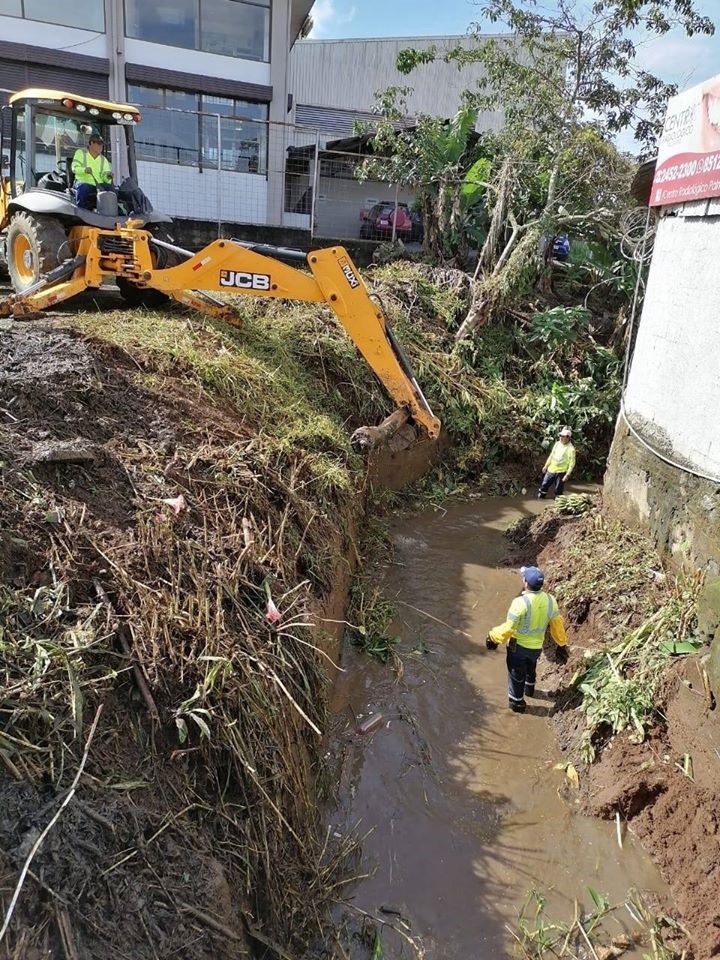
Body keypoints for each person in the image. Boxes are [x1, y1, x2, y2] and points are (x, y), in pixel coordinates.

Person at [486, 566, 569, 713]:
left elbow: (508, 629)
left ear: (525, 582)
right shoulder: (551, 601)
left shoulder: (519, 603)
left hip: (517, 648)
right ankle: (530, 689)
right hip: (536, 647)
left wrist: (492, 637)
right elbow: (557, 626)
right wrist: (562, 644)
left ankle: (517, 705)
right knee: (531, 666)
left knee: (516, 676)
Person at [71, 134, 113, 210]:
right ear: (90, 143)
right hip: (83, 182)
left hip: (98, 185)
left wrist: (108, 176)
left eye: (102, 144)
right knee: (83, 188)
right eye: (98, 144)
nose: (100, 147)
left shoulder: (103, 159)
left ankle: (112, 211)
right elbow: (74, 168)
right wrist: (84, 170)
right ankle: (81, 211)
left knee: (111, 188)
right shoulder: (80, 153)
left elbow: (105, 178)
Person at [538, 426, 575, 499]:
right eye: (560, 436)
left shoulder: (571, 449)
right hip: (551, 470)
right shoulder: (557, 444)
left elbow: (572, 463)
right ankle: (541, 497)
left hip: (561, 472)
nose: (561, 438)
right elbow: (551, 455)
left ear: (568, 438)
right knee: (544, 485)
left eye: (563, 436)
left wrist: (567, 475)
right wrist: (546, 466)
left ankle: (558, 504)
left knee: (558, 490)